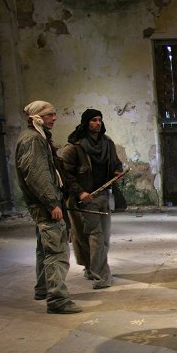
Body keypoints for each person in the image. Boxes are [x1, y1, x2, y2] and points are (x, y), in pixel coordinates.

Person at [15, 100, 82, 314]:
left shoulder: (38, 136)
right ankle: (57, 300)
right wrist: (53, 203)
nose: (54, 118)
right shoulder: (33, 139)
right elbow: (37, 174)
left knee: (44, 249)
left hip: (42, 204)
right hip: (45, 205)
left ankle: (43, 289)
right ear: (37, 117)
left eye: (54, 114)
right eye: (49, 115)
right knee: (56, 251)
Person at [59, 109, 123, 289]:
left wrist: (117, 172)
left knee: (103, 237)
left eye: (100, 120)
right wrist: (80, 192)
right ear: (86, 122)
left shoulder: (107, 143)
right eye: (94, 120)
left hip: (102, 196)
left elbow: (116, 163)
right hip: (83, 199)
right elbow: (66, 174)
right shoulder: (74, 147)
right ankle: (100, 275)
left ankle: (93, 269)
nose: (98, 123)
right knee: (91, 236)